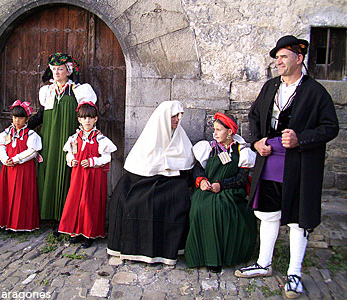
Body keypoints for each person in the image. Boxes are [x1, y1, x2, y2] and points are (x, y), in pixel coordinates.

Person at [234, 35, 339, 299]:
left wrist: (301, 139)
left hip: (300, 162)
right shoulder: (270, 87)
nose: (278, 61)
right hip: (269, 157)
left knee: (296, 217)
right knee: (268, 212)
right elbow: (255, 116)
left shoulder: (316, 92)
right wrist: (257, 141)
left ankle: (294, 273)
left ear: (299, 58)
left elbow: (330, 127)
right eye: (277, 58)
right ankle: (263, 263)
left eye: (283, 57)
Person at [107, 101, 195, 265]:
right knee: (126, 201)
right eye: (173, 116)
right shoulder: (149, 140)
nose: (177, 119)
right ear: (163, 119)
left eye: (179, 116)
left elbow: (186, 167)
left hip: (172, 183)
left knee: (166, 204)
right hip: (144, 181)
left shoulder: (181, 139)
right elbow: (137, 170)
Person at [28, 52, 97, 225]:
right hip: (50, 138)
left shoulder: (78, 90)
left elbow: (87, 115)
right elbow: (42, 115)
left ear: (68, 71)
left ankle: (65, 217)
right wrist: (23, 126)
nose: (57, 72)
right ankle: (48, 214)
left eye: (60, 69)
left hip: (69, 140)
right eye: (54, 69)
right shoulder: (47, 91)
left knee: (67, 173)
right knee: (48, 171)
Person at [185, 113, 257, 273]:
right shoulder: (209, 147)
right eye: (214, 129)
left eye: (219, 130)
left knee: (221, 208)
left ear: (230, 132)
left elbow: (242, 178)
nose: (215, 133)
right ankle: (202, 255)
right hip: (208, 187)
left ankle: (220, 258)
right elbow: (197, 168)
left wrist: (221, 185)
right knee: (200, 206)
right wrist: (201, 181)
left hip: (231, 190)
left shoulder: (241, 150)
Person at [58, 100, 117, 248]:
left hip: (93, 177)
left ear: (95, 119)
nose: (87, 121)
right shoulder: (74, 138)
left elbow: (107, 157)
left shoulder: (99, 138)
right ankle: (76, 231)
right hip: (78, 176)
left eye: (90, 117)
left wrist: (92, 162)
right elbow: (69, 154)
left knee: (89, 203)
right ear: (79, 119)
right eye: (84, 118)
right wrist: (71, 160)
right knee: (75, 201)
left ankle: (89, 233)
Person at [0, 100, 42, 232]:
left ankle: (22, 224)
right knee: (8, 194)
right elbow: (1, 146)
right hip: (9, 168)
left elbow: (32, 151)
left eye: (20, 118)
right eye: (15, 117)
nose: (17, 121)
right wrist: (5, 159)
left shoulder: (31, 135)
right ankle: (7, 222)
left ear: (26, 119)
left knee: (22, 195)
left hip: (23, 169)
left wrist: (16, 159)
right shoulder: (7, 133)